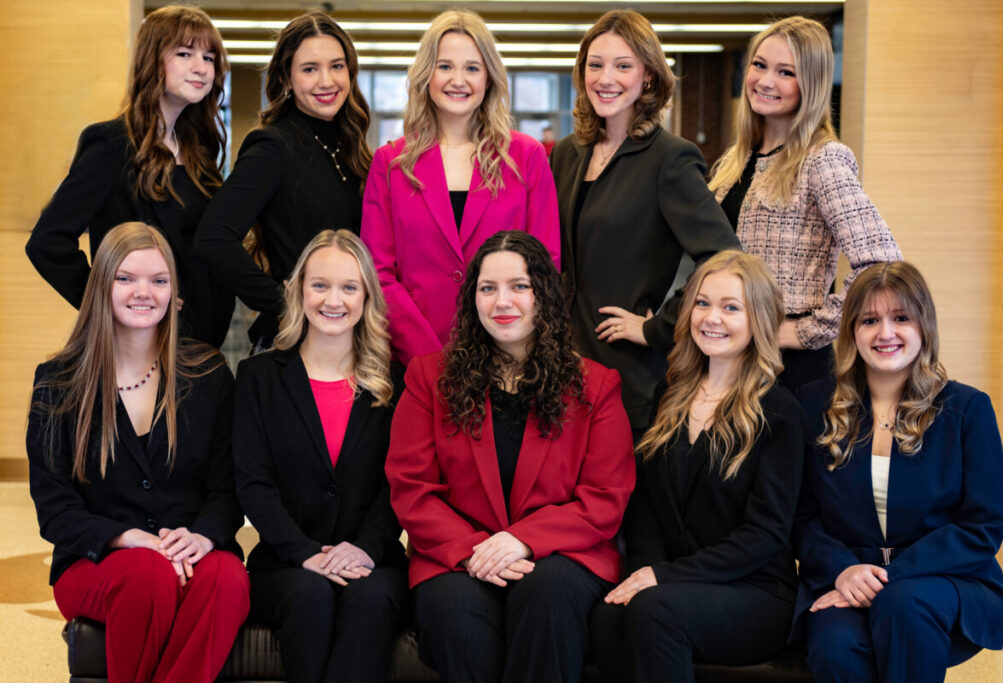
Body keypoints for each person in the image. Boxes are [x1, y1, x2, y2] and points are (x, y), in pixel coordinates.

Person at [386, 231, 634, 683]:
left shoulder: (595, 386)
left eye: (519, 286)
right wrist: (474, 550)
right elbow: (412, 491)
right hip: (458, 556)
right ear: (472, 299)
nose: (503, 301)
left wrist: (521, 541)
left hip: (564, 557)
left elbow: (605, 498)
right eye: (488, 288)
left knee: (548, 593)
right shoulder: (429, 379)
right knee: (452, 610)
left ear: (544, 295)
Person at [26, 222, 249, 683]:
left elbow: (229, 489)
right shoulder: (57, 381)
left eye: (159, 280)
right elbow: (55, 510)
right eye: (125, 278)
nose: (143, 292)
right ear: (101, 286)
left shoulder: (209, 374)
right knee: (147, 575)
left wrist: (203, 537)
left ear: (174, 291)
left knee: (229, 579)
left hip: (192, 553)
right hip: (98, 563)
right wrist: (129, 539)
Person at [589, 250, 804, 682]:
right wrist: (642, 572)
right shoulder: (669, 395)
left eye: (730, 307)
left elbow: (764, 536)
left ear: (758, 319)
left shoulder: (778, 412)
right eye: (702, 303)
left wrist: (662, 576)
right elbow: (645, 506)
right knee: (606, 618)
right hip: (675, 582)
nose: (712, 318)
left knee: (656, 611)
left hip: (753, 591)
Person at [793, 261, 1003, 682]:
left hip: (944, 579)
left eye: (901, 318)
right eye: (870, 320)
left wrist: (889, 577)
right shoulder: (812, 406)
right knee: (836, 647)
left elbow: (981, 526)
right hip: (847, 575)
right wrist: (843, 570)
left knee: (902, 603)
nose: (885, 333)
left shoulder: (967, 410)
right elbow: (802, 517)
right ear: (852, 332)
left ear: (923, 327)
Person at [550, 9, 739, 436]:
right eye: (595, 65)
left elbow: (725, 259)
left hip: (627, 373)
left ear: (648, 76)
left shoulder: (670, 158)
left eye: (623, 66)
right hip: (563, 363)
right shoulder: (567, 153)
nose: (606, 78)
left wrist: (659, 327)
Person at [233, 229, 407, 683]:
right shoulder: (258, 377)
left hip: (374, 558)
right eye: (320, 285)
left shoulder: (396, 381)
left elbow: (401, 485)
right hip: (285, 560)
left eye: (349, 287)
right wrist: (305, 552)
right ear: (299, 291)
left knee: (368, 600)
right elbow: (253, 483)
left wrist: (366, 549)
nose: (334, 300)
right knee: (309, 595)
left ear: (367, 295)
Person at [709, 16, 902, 393]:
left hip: (791, 366)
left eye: (786, 72)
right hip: (734, 350)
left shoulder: (822, 159)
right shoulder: (735, 160)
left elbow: (881, 261)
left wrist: (804, 332)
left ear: (810, 85)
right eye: (759, 65)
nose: (765, 81)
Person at [26, 5, 235, 348]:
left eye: (209, 58)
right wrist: (107, 303)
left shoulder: (199, 149)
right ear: (152, 61)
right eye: (185, 54)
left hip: (202, 344)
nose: (201, 68)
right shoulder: (111, 145)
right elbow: (48, 242)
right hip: (140, 343)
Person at [362, 9, 560, 367]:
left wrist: (505, 345)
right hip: (414, 360)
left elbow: (544, 264)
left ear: (489, 78)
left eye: (472, 67)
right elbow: (378, 274)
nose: (459, 80)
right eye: (445, 66)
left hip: (507, 358)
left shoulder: (526, 157)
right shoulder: (391, 163)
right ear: (427, 75)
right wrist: (428, 358)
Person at [197, 10, 371, 350]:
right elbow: (213, 238)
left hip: (350, 339)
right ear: (287, 79)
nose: (327, 81)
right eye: (310, 69)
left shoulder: (353, 150)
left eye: (337, 66)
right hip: (293, 344)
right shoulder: (273, 147)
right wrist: (285, 304)